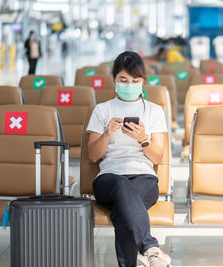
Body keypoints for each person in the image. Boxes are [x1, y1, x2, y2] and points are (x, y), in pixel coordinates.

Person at [86, 51, 171, 267]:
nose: (129, 84)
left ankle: (142, 258)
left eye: (135, 80)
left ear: (143, 81)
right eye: (123, 79)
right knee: (121, 185)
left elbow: (158, 156)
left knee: (123, 212)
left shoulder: (155, 111)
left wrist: (143, 140)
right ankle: (151, 248)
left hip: (144, 178)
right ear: (114, 79)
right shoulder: (102, 110)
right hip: (109, 179)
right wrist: (106, 134)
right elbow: (93, 155)